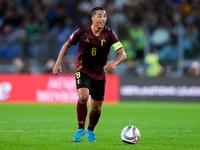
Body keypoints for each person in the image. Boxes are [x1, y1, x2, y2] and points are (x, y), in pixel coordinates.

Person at [52, 7, 126, 142]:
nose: (103, 18)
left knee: (96, 108)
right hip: (83, 70)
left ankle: (90, 130)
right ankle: (80, 128)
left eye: (104, 16)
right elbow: (66, 45)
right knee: (83, 97)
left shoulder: (110, 34)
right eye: (100, 16)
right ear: (93, 18)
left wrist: (114, 63)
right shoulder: (82, 31)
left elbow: (123, 54)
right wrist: (58, 63)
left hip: (100, 74)